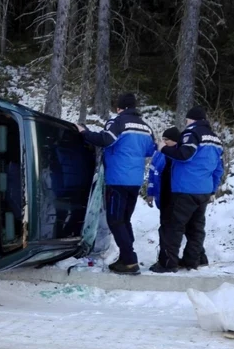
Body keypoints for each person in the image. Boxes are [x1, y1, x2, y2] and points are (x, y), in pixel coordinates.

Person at [77, 93, 155, 275]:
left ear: (120, 108)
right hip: (135, 180)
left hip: (117, 179)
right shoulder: (145, 127)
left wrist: (84, 133)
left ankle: (129, 260)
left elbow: (105, 140)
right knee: (124, 219)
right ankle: (126, 258)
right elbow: (150, 150)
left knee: (116, 219)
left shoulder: (118, 122)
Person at [150, 106, 223, 273]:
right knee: (196, 228)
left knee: (173, 227)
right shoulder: (216, 139)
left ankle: (167, 263)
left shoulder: (192, 133)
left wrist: (163, 149)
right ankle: (192, 261)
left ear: (192, 119)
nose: (186, 122)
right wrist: (212, 189)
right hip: (204, 190)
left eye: (187, 120)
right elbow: (219, 168)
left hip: (185, 188)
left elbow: (185, 154)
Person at [146, 127, 181, 248]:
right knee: (164, 225)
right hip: (161, 195)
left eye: (167, 140)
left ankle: (170, 255)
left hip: (174, 197)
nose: (163, 142)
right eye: (163, 139)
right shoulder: (159, 153)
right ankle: (164, 254)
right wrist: (150, 192)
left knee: (173, 227)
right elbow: (152, 173)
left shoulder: (179, 154)